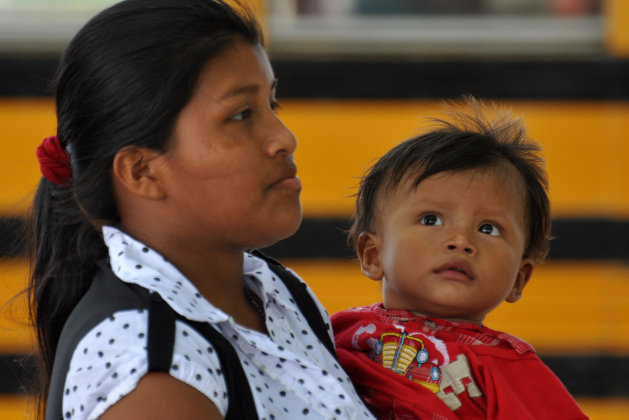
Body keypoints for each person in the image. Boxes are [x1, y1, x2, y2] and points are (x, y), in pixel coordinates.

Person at [28, 1, 376, 419]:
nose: (283, 138)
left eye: (272, 105)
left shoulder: (278, 293)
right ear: (141, 171)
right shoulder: (148, 363)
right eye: (240, 114)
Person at [331, 99, 588, 419]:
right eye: (431, 220)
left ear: (519, 278)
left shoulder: (512, 370)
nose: (461, 241)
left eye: (488, 228)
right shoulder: (338, 330)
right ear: (373, 255)